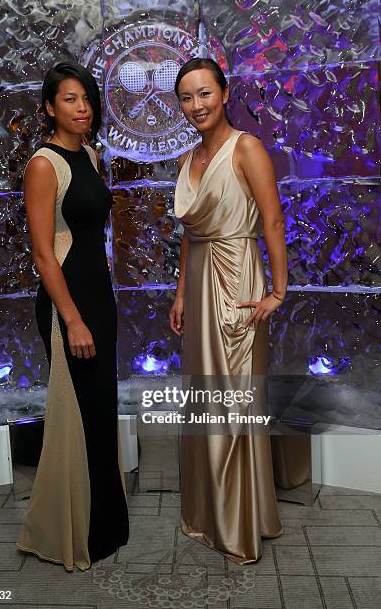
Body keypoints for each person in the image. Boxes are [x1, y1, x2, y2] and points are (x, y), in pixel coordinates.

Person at [169, 57, 287, 563]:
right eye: (186, 97)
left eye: (204, 94)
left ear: (224, 93)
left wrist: (278, 291)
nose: (196, 105)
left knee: (235, 397)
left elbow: (275, 220)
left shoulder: (247, 148)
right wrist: (179, 293)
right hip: (197, 282)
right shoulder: (187, 159)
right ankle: (214, 512)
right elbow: (189, 234)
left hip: (236, 277)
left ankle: (239, 524)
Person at [16, 61, 129, 571]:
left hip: (97, 296)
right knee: (74, 411)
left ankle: (105, 525)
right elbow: (42, 253)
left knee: (101, 408)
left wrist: (101, 305)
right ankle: (69, 533)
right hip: (68, 302)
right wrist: (73, 319)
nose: (82, 107)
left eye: (86, 98)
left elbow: (92, 237)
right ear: (49, 106)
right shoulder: (44, 164)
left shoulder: (92, 156)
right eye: (69, 99)